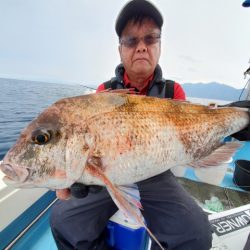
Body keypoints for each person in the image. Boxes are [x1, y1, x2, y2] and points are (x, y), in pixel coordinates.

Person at [50, 1, 213, 249]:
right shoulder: (104, 92)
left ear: (159, 46)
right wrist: (75, 171)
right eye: (131, 41)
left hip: (155, 174)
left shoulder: (173, 91)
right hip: (109, 176)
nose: (141, 48)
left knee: (196, 235)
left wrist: (225, 121)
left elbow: (191, 135)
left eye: (150, 39)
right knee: (63, 221)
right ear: (120, 49)